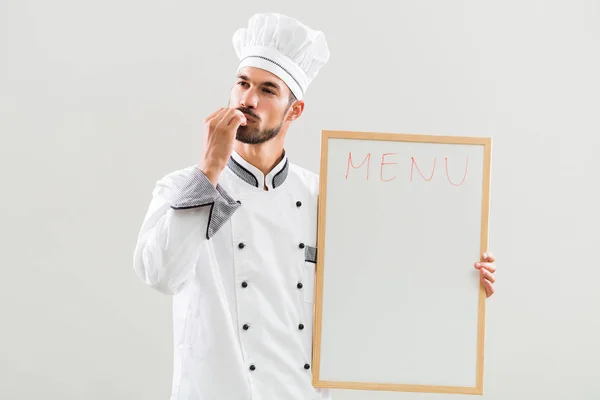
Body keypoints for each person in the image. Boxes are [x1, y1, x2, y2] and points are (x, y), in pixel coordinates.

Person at [133, 12, 498, 400]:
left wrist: (460, 281)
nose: (248, 100)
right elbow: (161, 275)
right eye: (243, 83)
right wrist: (210, 169)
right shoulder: (184, 187)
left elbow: (380, 286)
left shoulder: (326, 199)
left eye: (268, 90)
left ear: (295, 110)